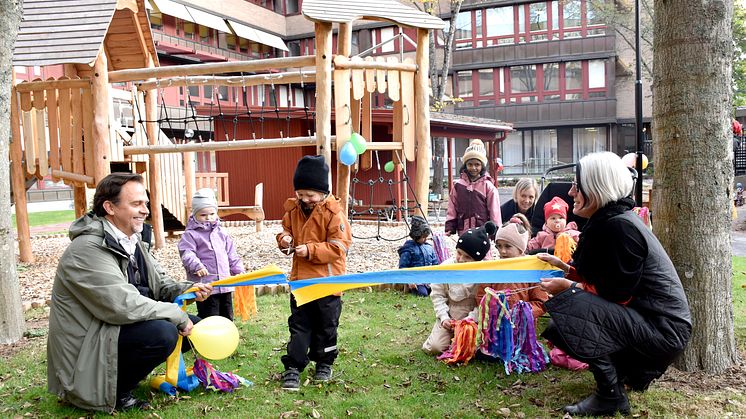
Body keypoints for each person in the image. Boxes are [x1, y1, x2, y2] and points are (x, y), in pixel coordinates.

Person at [538, 152, 691, 416]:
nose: (571, 191)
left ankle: (610, 395)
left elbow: (616, 294)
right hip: (652, 324)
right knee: (559, 325)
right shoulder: (614, 221)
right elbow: (608, 280)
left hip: (663, 330)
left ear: (596, 189)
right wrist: (566, 268)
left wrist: (568, 288)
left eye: (577, 185)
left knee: (571, 307)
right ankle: (618, 379)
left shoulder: (620, 227)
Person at [47, 173, 212, 413]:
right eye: (136, 204)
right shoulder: (87, 249)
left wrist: (189, 289)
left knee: (194, 329)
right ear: (109, 207)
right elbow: (121, 304)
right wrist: (175, 314)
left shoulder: (130, 240)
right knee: (164, 332)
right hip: (89, 345)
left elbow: (159, 283)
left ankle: (123, 377)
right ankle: (111, 392)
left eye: (145, 203)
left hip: (112, 327)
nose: (145, 210)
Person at [277, 155, 352, 391]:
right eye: (301, 194)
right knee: (299, 327)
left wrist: (310, 250)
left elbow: (339, 248)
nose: (305, 199)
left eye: (310, 195)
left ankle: (324, 362)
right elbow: (283, 231)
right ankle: (293, 366)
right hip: (301, 282)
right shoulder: (292, 210)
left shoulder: (334, 214)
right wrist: (285, 240)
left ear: (323, 192)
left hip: (328, 284)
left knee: (326, 327)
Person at [422, 221, 497, 355]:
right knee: (435, 347)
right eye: (459, 253)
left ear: (478, 260)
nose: (461, 259)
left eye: (467, 257)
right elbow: (437, 295)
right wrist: (444, 317)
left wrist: (469, 319)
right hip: (450, 314)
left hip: (472, 318)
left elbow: (484, 303)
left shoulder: (485, 272)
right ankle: (445, 335)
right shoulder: (447, 267)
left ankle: (460, 339)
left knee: (469, 348)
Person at [178, 188, 244, 320]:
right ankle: (208, 339)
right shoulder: (190, 234)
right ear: (195, 215)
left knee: (227, 316)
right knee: (210, 317)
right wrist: (197, 266)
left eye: (212, 214)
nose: (208, 218)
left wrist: (238, 270)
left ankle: (226, 338)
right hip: (206, 287)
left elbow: (231, 254)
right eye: (203, 215)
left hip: (225, 284)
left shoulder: (221, 232)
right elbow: (187, 253)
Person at [475, 213, 549, 320]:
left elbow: (541, 302)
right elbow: (481, 297)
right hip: (496, 327)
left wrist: (521, 313)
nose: (502, 251)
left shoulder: (531, 271)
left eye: (508, 246)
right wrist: (495, 311)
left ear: (520, 248)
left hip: (523, 328)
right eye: (499, 246)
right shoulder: (492, 269)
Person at [445, 139, 501, 236]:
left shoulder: (487, 186)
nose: (473, 168)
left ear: (482, 166)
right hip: (463, 230)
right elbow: (452, 208)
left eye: (477, 164)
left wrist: (495, 230)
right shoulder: (458, 186)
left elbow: (494, 210)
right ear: (465, 165)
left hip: (482, 230)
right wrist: (450, 226)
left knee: (482, 251)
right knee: (463, 251)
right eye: (470, 164)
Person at [398, 215, 438, 296]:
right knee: (423, 294)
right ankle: (413, 290)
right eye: (423, 237)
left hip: (429, 279)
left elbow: (435, 264)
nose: (425, 239)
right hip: (416, 280)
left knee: (438, 291)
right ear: (416, 235)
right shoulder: (408, 249)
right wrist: (409, 281)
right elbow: (403, 267)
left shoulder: (429, 248)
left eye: (426, 237)